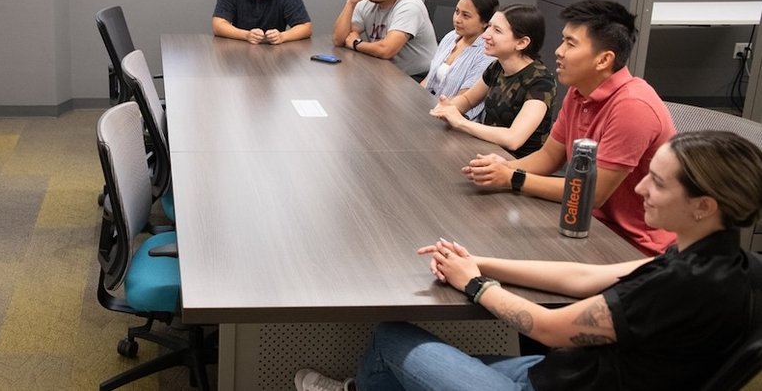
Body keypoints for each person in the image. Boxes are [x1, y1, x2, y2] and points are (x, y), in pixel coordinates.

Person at [296, 130, 762, 391]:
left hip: (555, 386)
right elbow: (583, 276)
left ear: (705, 205)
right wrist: (477, 261)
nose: (640, 189)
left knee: (388, 338)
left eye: (658, 183)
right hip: (569, 376)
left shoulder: (684, 283)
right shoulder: (719, 259)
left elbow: (550, 329)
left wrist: (475, 285)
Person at [463, 0, 676, 256]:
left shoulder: (633, 107)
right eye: (563, 40)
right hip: (584, 223)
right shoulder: (579, 91)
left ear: (603, 59)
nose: (559, 51)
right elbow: (550, 156)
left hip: (632, 245)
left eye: (571, 44)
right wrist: (499, 169)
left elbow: (592, 194)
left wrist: (512, 178)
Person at [430, 4, 555, 158]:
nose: (485, 35)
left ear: (522, 42)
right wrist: (449, 108)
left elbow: (513, 139)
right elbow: (468, 99)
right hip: (488, 152)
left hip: (516, 166)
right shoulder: (497, 66)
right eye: (489, 26)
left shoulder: (541, 82)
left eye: (497, 30)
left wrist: (461, 122)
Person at [331, 0, 437, 79]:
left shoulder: (410, 7)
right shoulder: (369, 2)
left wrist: (356, 43)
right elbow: (338, 39)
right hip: (384, 71)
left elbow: (386, 50)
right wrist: (351, 2)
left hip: (416, 78)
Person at [419, 0, 498, 119]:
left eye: (465, 15)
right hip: (431, 108)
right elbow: (429, 79)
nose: (457, 19)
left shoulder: (486, 53)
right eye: (457, 12)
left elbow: (465, 99)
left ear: (485, 22)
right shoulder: (451, 36)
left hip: (456, 119)